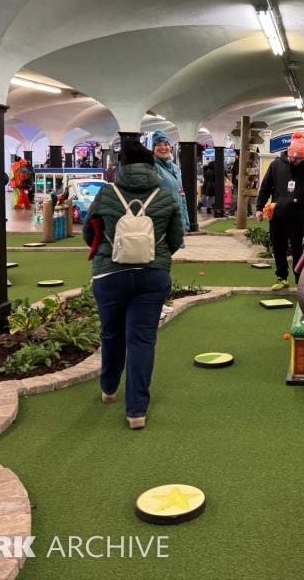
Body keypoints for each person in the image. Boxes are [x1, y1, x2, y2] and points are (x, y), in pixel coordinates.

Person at [83, 140, 184, 429]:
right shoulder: (166, 194)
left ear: (121, 165)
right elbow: (176, 238)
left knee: (112, 334)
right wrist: (157, 257)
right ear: (151, 165)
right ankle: (136, 412)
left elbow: (89, 234)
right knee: (142, 340)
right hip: (153, 277)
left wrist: (106, 251)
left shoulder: (106, 192)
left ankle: (108, 389)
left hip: (109, 275)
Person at [255, 131, 304, 290]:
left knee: (298, 249)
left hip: (299, 216)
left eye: (300, 158)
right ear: (289, 154)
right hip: (278, 215)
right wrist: (259, 208)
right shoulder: (276, 165)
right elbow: (265, 187)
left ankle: (300, 279)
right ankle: (281, 277)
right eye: (294, 158)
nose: (297, 161)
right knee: (278, 247)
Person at [150, 129, 189, 245]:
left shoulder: (175, 168)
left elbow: (181, 196)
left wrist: (184, 223)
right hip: (157, 220)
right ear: (153, 148)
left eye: (166, 144)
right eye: (158, 145)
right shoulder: (152, 167)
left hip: (175, 218)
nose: (163, 148)